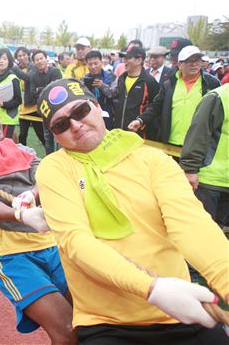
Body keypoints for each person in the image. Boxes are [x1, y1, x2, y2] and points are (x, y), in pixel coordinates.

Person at [35, 78, 229, 345]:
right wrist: (151, 289)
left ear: (96, 105)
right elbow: (75, 242)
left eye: (79, 111)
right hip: (108, 323)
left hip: (182, 310)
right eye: (61, 124)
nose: (76, 125)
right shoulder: (54, 169)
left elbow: (191, 224)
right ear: (55, 135)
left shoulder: (152, 159)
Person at [0, 98, 76, 344]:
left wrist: (31, 194)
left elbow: (46, 177)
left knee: (86, 320)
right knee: (66, 329)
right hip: (10, 254)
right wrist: (21, 214)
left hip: (50, 244)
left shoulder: (20, 148)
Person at [128, 46, 220, 145]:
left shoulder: (211, 83)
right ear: (180, 64)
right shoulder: (170, 84)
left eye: (197, 60)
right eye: (189, 61)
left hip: (198, 144)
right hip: (171, 141)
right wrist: (140, 120)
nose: (194, 64)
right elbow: (156, 106)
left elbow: (219, 112)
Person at [180, 83, 229, 228]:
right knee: (201, 231)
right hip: (210, 181)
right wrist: (190, 169)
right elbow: (198, 133)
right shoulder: (218, 97)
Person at [113, 45, 159, 138]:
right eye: (124, 57)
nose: (124, 61)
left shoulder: (149, 81)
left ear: (139, 60)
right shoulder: (121, 79)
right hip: (119, 133)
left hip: (139, 134)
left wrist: (141, 121)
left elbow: (156, 107)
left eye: (128, 58)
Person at [27, 49, 63, 153]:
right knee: (48, 139)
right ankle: (49, 161)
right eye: (36, 59)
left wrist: (40, 89)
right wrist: (46, 89)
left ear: (46, 59)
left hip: (57, 109)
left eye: (41, 58)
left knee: (60, 138)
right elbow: (33, 93)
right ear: (34, 62)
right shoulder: (33, 75)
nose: (39, 61)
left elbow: (56, 89)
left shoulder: (55, 71)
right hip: (45, 111)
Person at [0, 48, 22, 140]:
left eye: (4, 59)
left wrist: (4, 104)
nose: (1, 61)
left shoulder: (13, 78)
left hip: (8, 119)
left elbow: (18, 100)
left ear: (9, 61)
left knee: (3, 145)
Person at [83, 50, 115, 130]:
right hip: (90, 114)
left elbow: (114, 94)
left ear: (101, 62)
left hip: (107, 113)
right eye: (90, 64)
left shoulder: (111, 76)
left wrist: (102, 86)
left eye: (96, 63)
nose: (93, 67)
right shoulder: (85, 79)